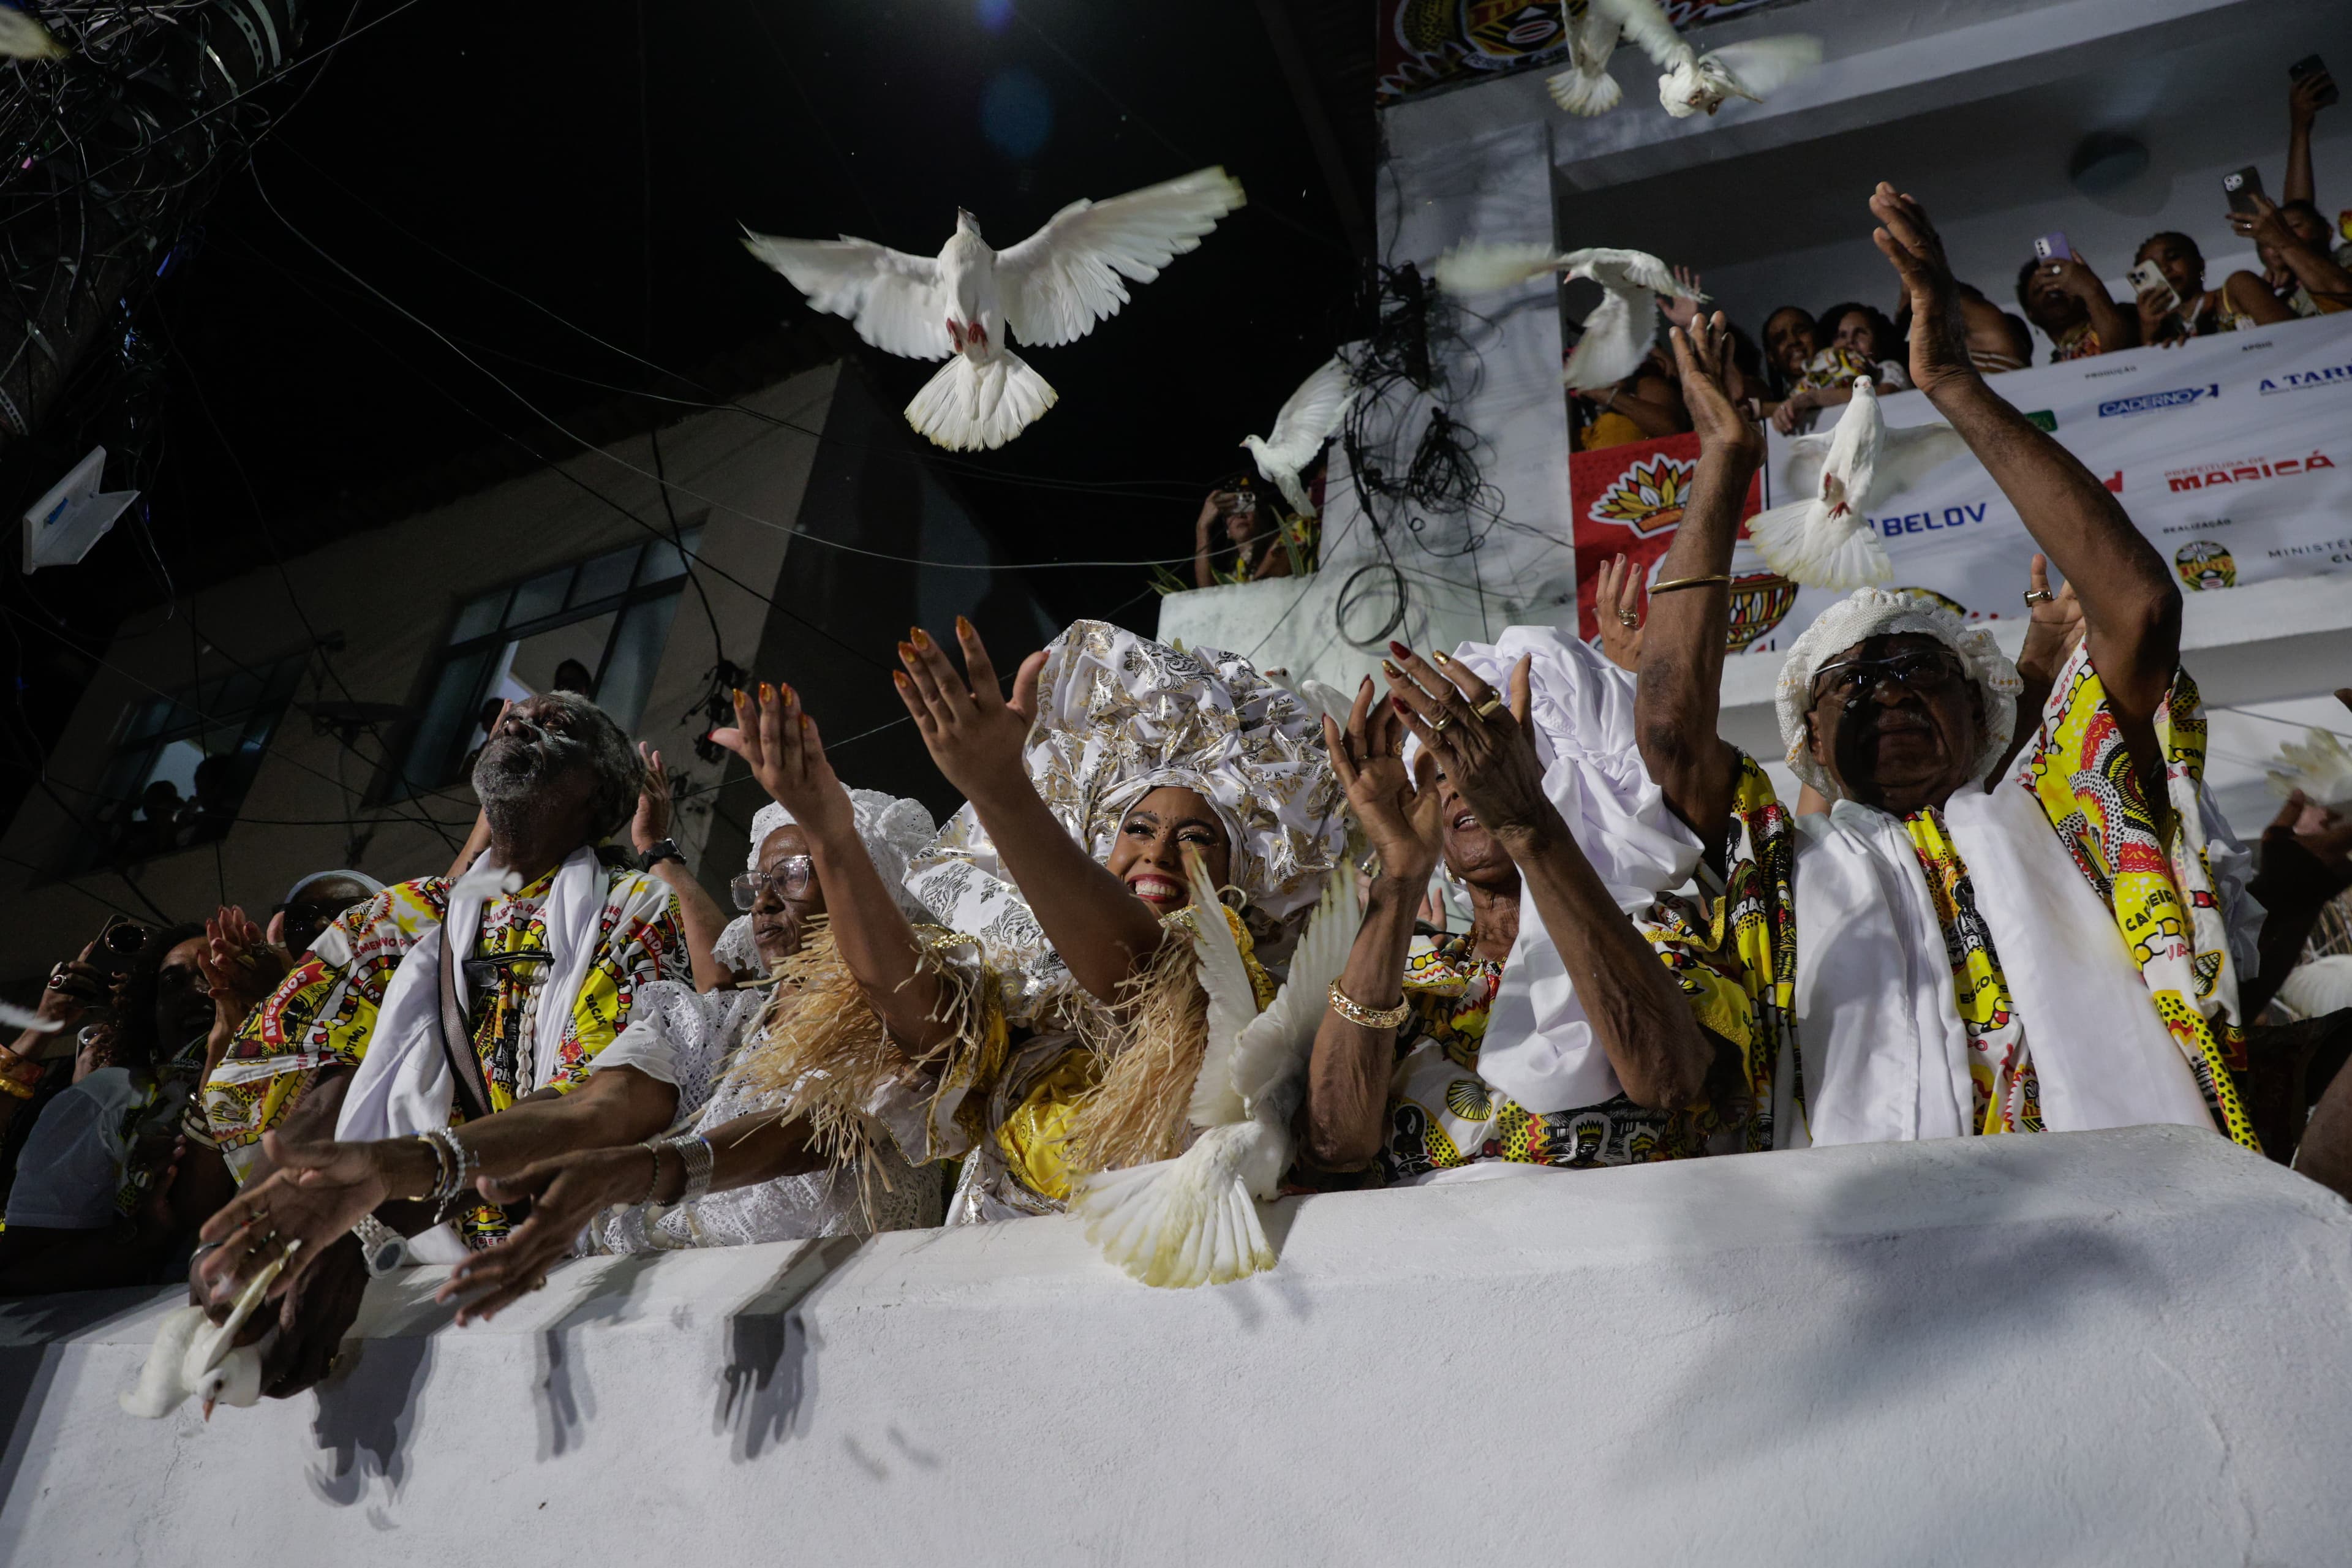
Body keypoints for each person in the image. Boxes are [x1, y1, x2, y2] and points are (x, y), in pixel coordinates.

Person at [1634, 184, 2266, 1153]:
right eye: (1850, 679)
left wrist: (1951, 382)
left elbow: (2140, 610)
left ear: (1984, 712)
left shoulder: (2062, 806)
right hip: (1882, 1260)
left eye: (1916, 667)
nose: (1885, 688)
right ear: (1810, 746)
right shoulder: (1775, 867)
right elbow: (1673, 733)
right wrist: (1725, 454)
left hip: (2132, 1221)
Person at [712, 619, 1348, 1226]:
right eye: (1139, 828)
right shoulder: (1035, 994)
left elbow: (1139, 972)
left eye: (1196, 837)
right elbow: (923, 1018)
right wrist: (833, 837)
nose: (1158, 851)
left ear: (1237, 878)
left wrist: (1001, 790)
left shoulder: (1238, 993)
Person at [186, 692, 690, 1393]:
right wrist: (258, 1241)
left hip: (560, 1262)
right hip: (410, 1244)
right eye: (515, 718)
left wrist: (363, 1224)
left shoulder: (635, 908)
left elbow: (595, 1108)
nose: (520, 723)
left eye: (558, 726)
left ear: (601, 793)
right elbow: (303, 1094)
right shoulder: (395, 918)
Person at [1299, 632, 1760, 1183]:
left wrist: (1527, 824)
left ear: (1558, 784)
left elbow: (1668, 1079)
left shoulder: (1654, 931)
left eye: (1477, 766)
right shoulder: (1417, 976)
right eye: (1439, 773)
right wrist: (1398, 880)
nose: (1454, 787)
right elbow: (1335, 1144)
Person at [0, 925, 211, 1294]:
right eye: (172, 983)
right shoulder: (111, 1098)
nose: (198, 991)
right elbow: (19, 1275)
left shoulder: (310, 1086)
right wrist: (141, 1234)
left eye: (216, 973)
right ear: (152, 1016)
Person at [1770, 303, 1910, 434]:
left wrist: (1814, 398)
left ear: (1879, 344)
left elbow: (1886, 394)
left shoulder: (1887, 369)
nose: (1850, 341)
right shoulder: (1822, 378)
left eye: (1861, 333)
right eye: (1842, 335)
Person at [2133, 230, 2292, 343]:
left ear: (2200, 263)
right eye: (2154, 269)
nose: (2165, 269)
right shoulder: (2165, 331)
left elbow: (2293, 337)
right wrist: (2149, 331)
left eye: (2173, 257)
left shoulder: (2238, 286)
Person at [2231, 191, 2352, 317]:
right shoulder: (2281, 302)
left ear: (2328, 231)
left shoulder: (2347, 256)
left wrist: (2284, 242)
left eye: (2295, 226)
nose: (2282, 235)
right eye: (2268, 241)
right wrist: (2258, 291)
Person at [2013, 251, 2137, 361]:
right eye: (2040, 289)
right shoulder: (2056, 368)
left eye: (2057, 284)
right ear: (2030, 313)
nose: (2051, 292)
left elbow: (2118, 354)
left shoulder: (2124, 314)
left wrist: (2090, 288)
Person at [1191, 482, 1305, 587]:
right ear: (1228, 531)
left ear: (1262, 517)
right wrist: (1202, 527)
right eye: (1232, 510)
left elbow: (1266, 584)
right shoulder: (1238, 574)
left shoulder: (1287, 540)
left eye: (1247, 505)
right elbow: (1208, 593)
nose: (1240, 514)